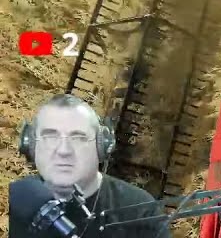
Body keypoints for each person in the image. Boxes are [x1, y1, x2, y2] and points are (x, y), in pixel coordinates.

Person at [11, 93, 171, 238]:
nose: (63, 150)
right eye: (50, 137)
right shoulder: (12, 203)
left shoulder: (141, 210)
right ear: (30, 145)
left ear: (101, 146)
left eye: (78, 138)